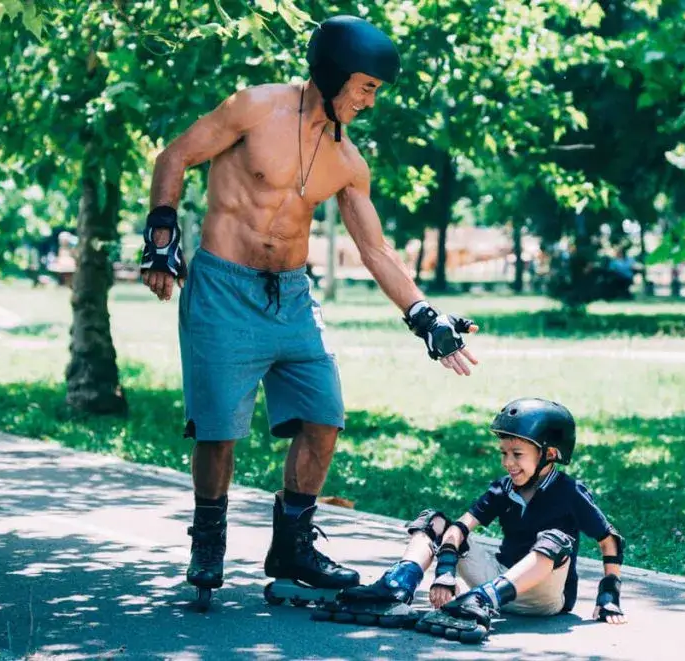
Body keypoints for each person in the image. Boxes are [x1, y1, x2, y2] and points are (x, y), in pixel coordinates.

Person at [138, 15, 480, 612]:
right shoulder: (254, 107)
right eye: (366, 87)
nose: (370, 102)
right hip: (222, 290)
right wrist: (162, 237)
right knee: (218, 432)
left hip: (292, 298)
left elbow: (375, 249)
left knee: (324, 416)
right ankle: (209, 544)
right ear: (333, 73)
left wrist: (425, 316)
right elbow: (174, 157)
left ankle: (292, 549)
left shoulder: (347, 161)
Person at [313, 397, 627, 643]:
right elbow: (459, 529)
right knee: (434, 522)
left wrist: (608, 594)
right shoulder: (503, 489)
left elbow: (608, 539)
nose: (508, 462)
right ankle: (396, 588)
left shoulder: (569, 492)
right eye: (503, 453)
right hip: (498, 580)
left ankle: (481, 599)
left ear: (551, 454)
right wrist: (445, 574)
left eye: (517, 454)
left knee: (555, 539)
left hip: (544, 597)